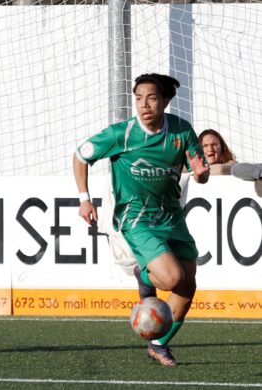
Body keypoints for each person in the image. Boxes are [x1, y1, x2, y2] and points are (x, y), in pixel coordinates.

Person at [73, 73, 209, 367]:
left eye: (151, 97)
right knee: (173, 278)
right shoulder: (120, 134)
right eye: (138, 98)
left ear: (165, 100)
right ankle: (143, 274)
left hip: (172, 216)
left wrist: (200, 173)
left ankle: (158, 345)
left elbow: (201, 172)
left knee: (187, 288)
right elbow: (80, 156)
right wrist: (84, 199)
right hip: (136, 219)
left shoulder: (181, 130)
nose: (144, 104)